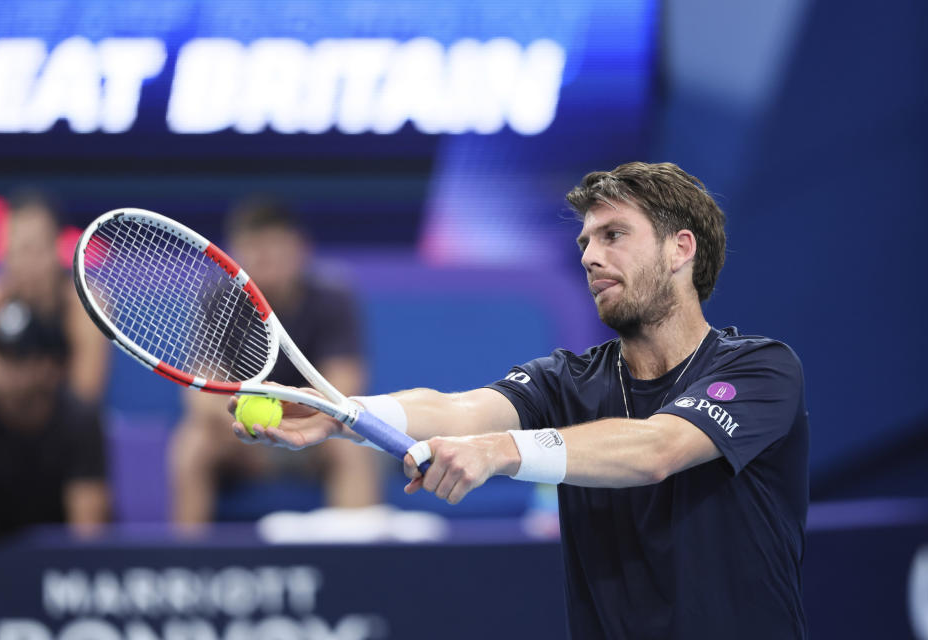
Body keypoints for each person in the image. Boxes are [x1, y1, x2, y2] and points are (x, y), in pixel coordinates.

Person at [231, 163, 809, 639]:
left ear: (680, 248)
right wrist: (341, 412)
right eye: (585, 241)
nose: (589, 256)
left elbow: (658, 448)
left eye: (614, 235)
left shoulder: (760, 369)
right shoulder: (566, 380)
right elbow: (456, 410)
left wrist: (499, 451)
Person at [169, 197, 380, 525]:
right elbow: (202, 397)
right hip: (242, 437)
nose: (264, 259)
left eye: (274, 249)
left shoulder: (331, 300)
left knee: (352, 447)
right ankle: (188, 566)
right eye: (253, 248)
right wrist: (250, 431)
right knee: (192, 443)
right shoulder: (219, 301)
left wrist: (288, 425)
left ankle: (355, 563)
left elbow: (344, 387)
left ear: (300, 249)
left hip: (314, 437)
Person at [0, 299, 110, 547]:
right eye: (2, 355)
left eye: (20, 359)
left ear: (48, 366)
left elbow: (86, 540)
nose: (7, 371)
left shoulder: (79, 420)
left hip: (60, 567)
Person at [0, 191, 110, 403]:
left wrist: (35, 384)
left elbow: (86, 390)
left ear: (56, 249)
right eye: (14, 250)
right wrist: (18, 382)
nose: (22, 262)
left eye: (31, 249)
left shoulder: (85, 305)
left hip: (65, 426)